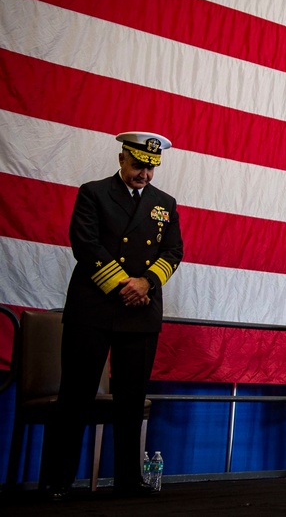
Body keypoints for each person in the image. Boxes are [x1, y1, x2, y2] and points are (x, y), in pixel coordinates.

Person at [40, 132, 183, 500]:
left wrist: (147, 283)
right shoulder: (93, 192)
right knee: (76, 395)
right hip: (95, 307)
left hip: (141, 312)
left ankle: (127, 479)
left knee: (131, 398)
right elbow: (84, 244)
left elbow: (173, 251)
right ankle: (57, 479)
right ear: (122, 159)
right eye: (138, 165)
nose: (145, 174)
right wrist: (124, 284)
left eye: (151, 167)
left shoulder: (164, 203)